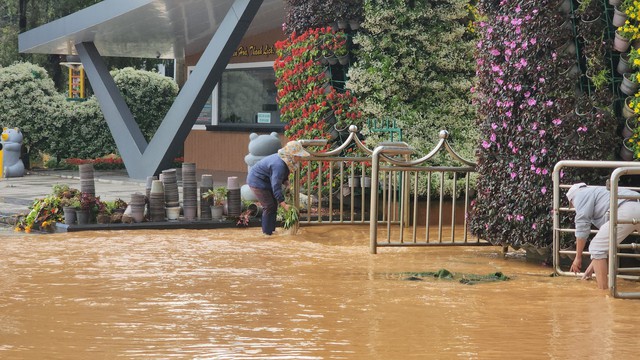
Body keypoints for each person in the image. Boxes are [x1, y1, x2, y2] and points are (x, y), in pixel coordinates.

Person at [567, 182, 640, 289]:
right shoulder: (598, 193)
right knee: (598, 247)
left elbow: (582, 226)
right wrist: (590, 269)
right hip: (636, 204)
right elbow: (607, 243)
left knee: (596, 247)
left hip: (626, 209)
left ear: (572, 199)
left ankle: (603, 294)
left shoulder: (579, 195)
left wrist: (577, 258)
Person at [247, 140, 311, 235]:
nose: (300, 158)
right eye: (298, 156)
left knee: (273, 205)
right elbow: (276, 185)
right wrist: (284, 204)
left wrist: (286, 182)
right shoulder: (279, 165)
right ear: (291, 155)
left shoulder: (284, 161)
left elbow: (281, 176)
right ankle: (266, 233)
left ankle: (271, 230)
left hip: (266, 180)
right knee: (269, 206)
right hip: (257, 181)